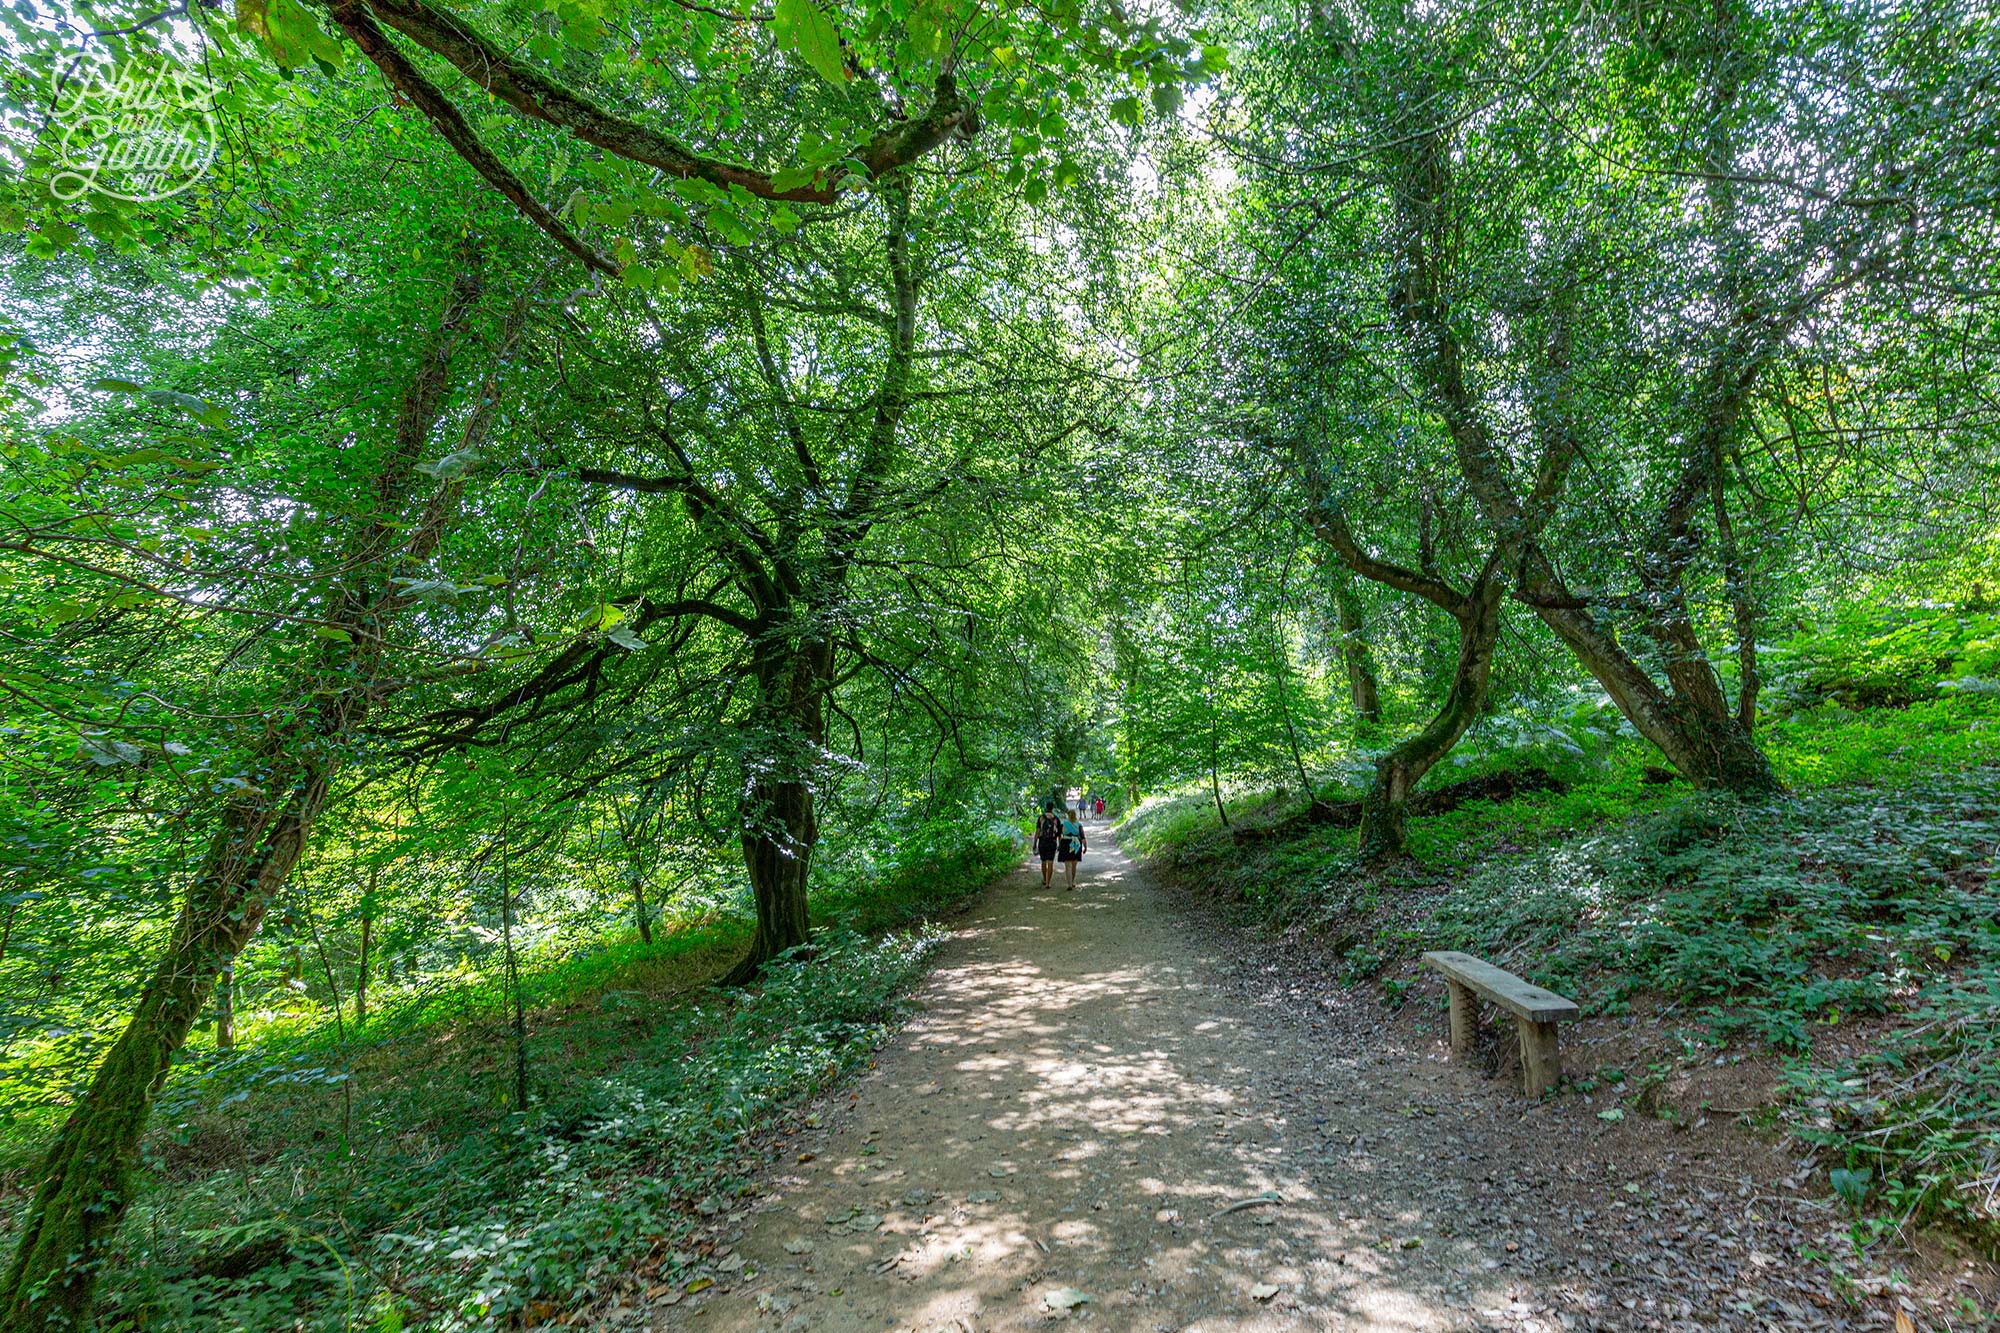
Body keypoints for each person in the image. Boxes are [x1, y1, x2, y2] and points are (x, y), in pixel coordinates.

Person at [1057, 806, 1087, 889]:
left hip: (1066, 844)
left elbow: (1059, 835)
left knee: (1068, 866)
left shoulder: (1063, 824)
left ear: (1068, 815)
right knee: (1074, 865)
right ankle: (1073, 881)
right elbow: (1083, 836)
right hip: (1076, 844)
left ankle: (1069, 884)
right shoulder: (1079, 824)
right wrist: (1085, 847)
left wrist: (1059, 844)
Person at [1034, 801, 1062, 888]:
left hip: (1042, 842)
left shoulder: (1041, 818)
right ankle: (1048, 883)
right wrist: (1060, 844)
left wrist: (1035, 843)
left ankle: (1044, 878)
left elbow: (1038, 832)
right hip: (1052, 842)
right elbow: (1059, 834)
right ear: (1052, 808)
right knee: (1050, 862)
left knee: (1043, 861)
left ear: (1046, 807)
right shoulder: (1056, 819)